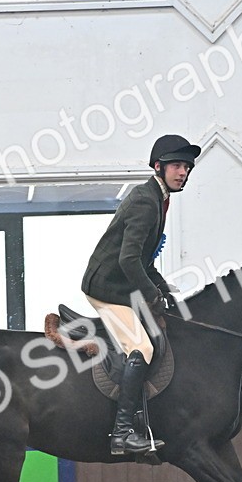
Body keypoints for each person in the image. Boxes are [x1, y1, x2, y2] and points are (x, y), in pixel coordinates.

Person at [81, 133, 201, 456]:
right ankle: (121, 433)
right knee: (142, 346)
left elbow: (144, 259)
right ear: (159, 166)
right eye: (177, 166)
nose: (183, 173)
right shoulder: (146, 201)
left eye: (187, 168)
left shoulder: (159, 198)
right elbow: (128, 260)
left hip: (123, 283)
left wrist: (162, 286)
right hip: (106, 287)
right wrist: (151, 294)